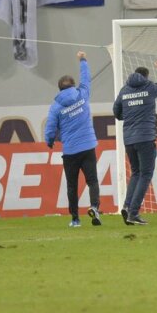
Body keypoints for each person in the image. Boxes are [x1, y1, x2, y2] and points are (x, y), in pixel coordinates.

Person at [45, 51, 101, 228]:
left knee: (72, 185)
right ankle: (94, 207)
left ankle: (75, 219)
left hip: (70, 151)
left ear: (59, 89)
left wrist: (49, 141)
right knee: (92, 180)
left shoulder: (56, 107)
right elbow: (86, 78)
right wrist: (83, 60)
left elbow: (50, 127)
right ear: (73, 85)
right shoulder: (82, 94)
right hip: (88, 147)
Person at [114, 60, 157, 225]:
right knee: (145, 174)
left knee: (136, 173)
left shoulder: (124, 90)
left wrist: (128, 116)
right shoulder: (149, 88)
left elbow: (117, 111)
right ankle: (133, 213)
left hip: (129, 139)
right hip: (145, 138)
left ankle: (126, 206)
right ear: (145, 77)